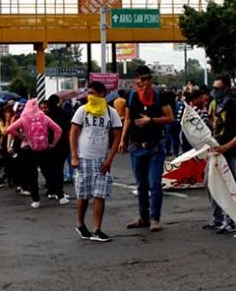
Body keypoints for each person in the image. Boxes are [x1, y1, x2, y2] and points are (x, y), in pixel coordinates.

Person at [119, 65, 174, 232]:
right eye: (138, 79)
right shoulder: (132, 96)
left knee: (154, 184)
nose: (141, 83)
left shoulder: (159, 96)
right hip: (136, 147)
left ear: (150, 80)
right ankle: (143, 217)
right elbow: (128, 119)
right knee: (141, 185)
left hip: (154, 148)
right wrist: (123, 140)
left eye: (144, 79)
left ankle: (155, 218)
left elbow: (169, 117)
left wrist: (151, 120)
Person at [70, 82, 122, 242]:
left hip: (101, 160)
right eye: (88, 93)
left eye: (93, 93)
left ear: (102, 94)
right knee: (84, 194)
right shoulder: (83, 110)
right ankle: (80, 223)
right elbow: (73, 133)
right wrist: (74, 156)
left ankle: (97, 229)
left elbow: (117, 135)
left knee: (100, 194)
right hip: (84, 158)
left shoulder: (110, 112)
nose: (90, 96)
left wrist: (109, 159)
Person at [204, 76, 236, 234]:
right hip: (215, 149)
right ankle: (217, 218)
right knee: (209, 183)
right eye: (214, 88)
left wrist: (226, 147)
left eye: (218, 89)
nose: (214, 92)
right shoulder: (215, 104)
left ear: (227, 89)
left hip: (228, 151)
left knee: (228, 186)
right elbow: (213, 125)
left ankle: (230, 220)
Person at [7, 99, 63, 208]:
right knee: (50, 173)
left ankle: (36, 200)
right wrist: (53, 143)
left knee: (32, 176)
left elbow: (10, 129)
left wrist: (20, 136)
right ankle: (60, 196)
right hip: (44, 148)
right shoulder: (44, 118)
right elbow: (58, 130)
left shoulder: (23, 119)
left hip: (28, 150)